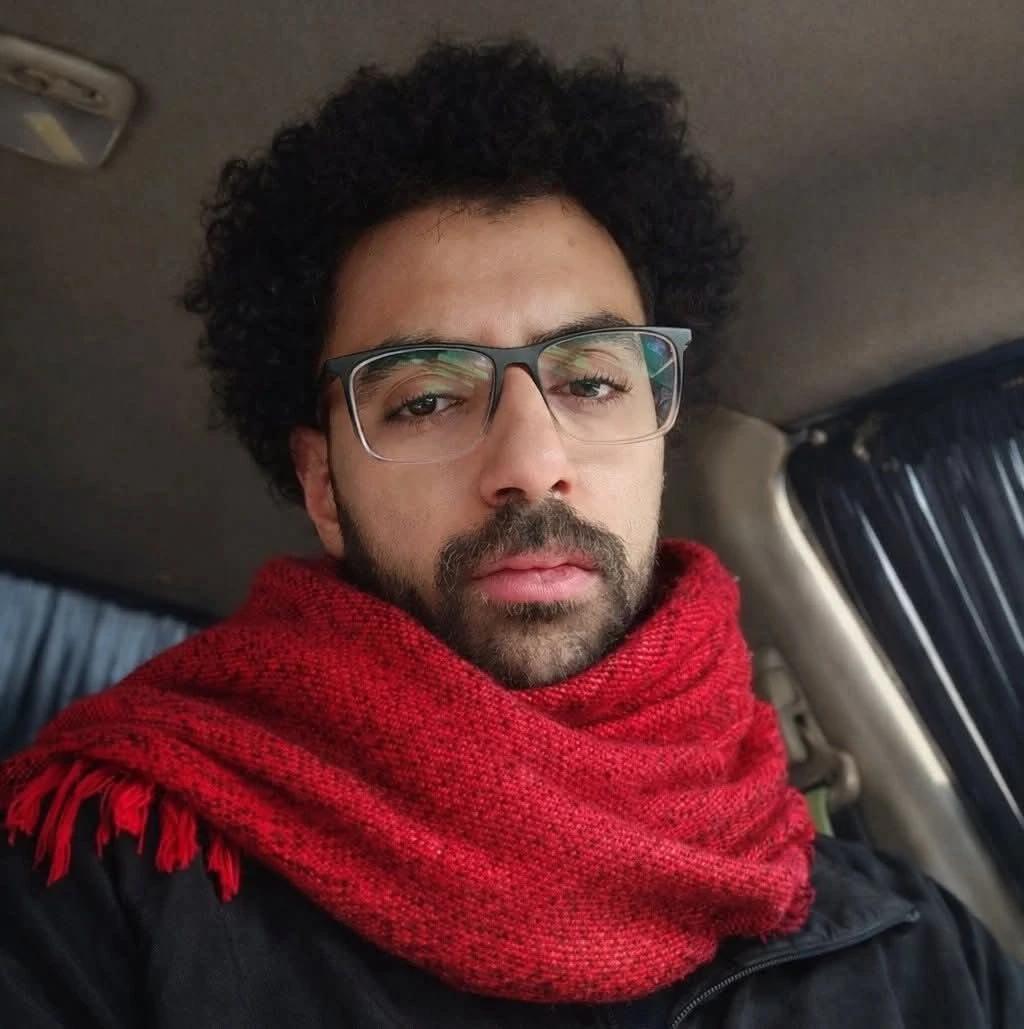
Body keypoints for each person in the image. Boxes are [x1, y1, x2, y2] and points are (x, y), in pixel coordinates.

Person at [0, 38, 1021, 1029]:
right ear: (324, 488)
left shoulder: (919, 953)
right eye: (427, 399)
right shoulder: (99, 888)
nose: (532, 463)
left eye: (591, 382)